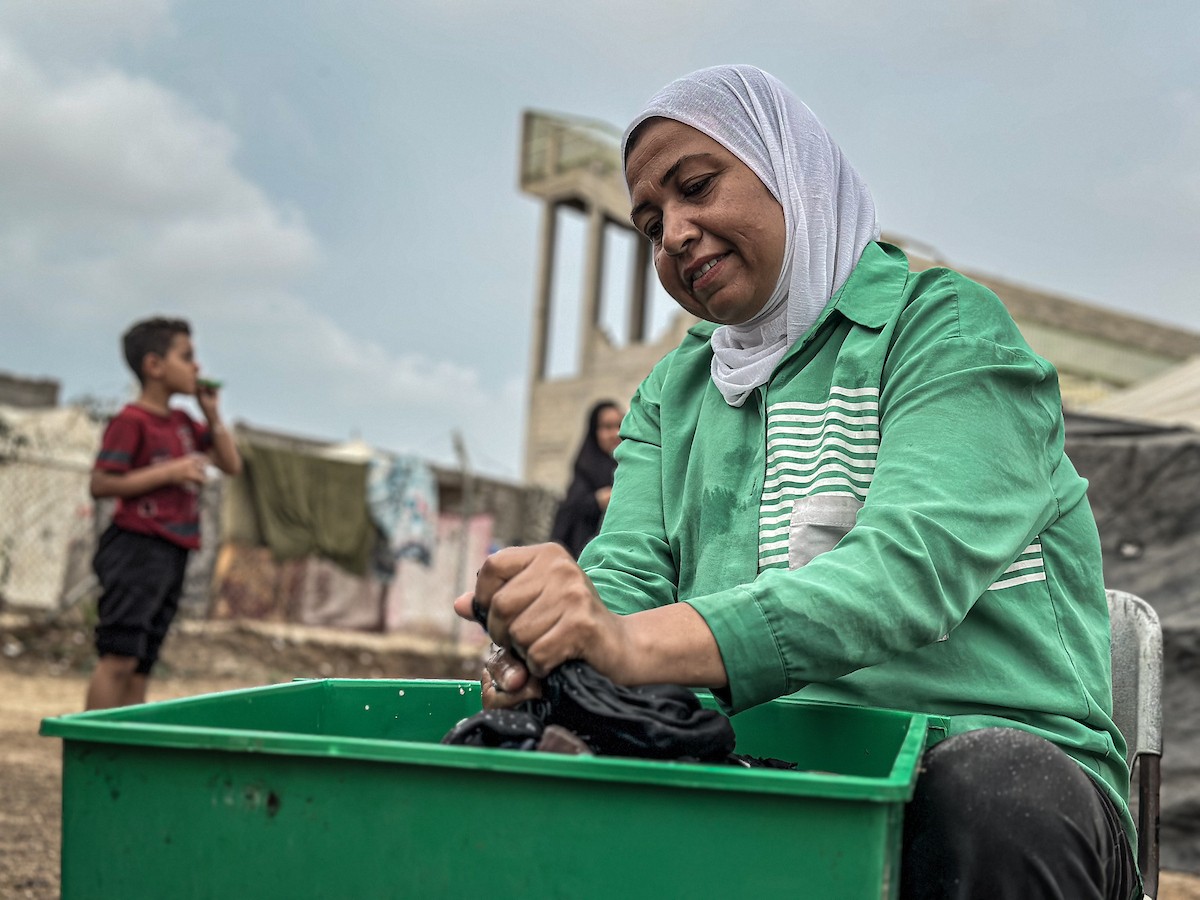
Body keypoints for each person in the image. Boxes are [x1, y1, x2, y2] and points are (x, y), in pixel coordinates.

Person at [455, 66, 1139, 899]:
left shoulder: (941, 330)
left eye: (697, 186)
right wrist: (553, 639)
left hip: (988, 785)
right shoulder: (675, 392)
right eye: (648, 223)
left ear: (791, 173)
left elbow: (907, 570)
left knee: (993, 791)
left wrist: (630, 645)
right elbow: (626, 573)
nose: (672, 233)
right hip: (770, 773)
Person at [85, 317, 242, 710]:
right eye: (187, 357)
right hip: (136, 547)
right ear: (154, 366)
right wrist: (170, 472)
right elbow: (102, 483)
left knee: (143, 662)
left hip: (174, 549)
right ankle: (91, 749)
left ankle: (128, 754)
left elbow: (231, 464)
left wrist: (212, 415)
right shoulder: (131, 421)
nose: (197, 368)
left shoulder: (184, 423)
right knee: (119, 657)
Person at [548, 400, 623, 559]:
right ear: (594, 431)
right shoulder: (585, 469)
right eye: (607, 427)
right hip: (584, 562)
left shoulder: (630, 467)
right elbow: (567, 516)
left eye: (619, 426)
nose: (615, 433)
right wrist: (595, 502)